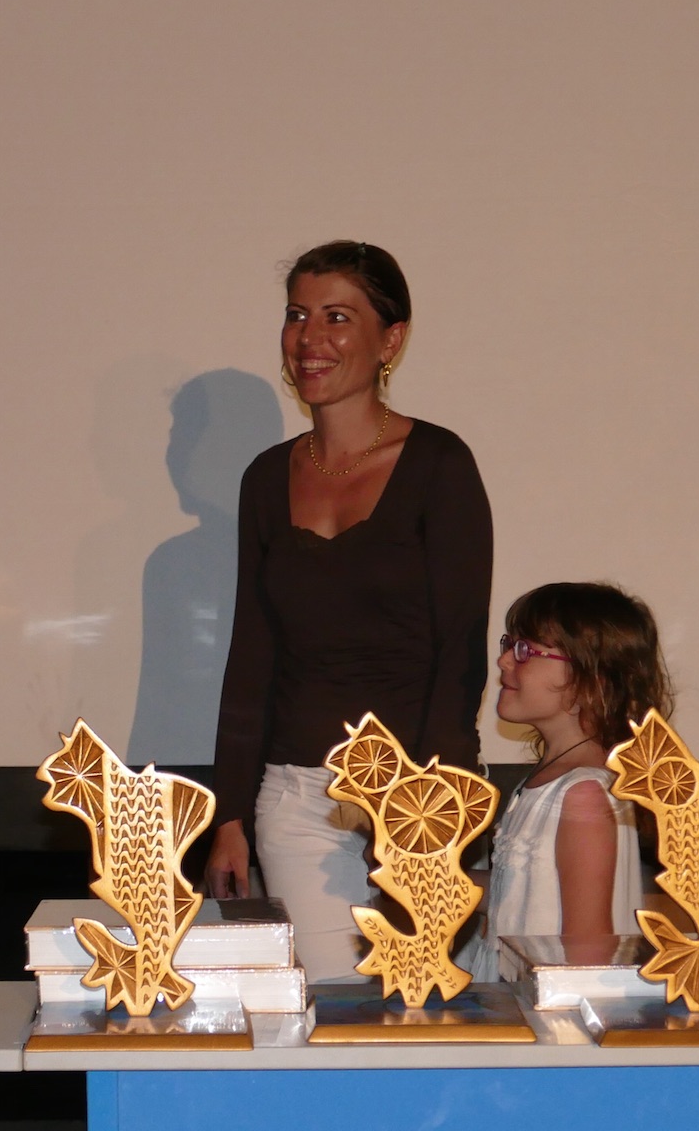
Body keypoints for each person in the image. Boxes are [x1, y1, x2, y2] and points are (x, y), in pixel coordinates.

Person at [203, 240, 493, 983]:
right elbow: (252, 654)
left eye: (337, 317)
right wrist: (229, 814)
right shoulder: (266, 478)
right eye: (297, 314)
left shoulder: (439, 464)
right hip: (294, 797)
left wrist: (429, 811)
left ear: (390, 339)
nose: (310, 337)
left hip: (411, 796)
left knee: (416, 1012)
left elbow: (460, 654)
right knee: (333, 1007)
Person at [462, 581, 670, 982]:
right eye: (509, 644)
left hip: (553, 1011)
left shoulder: (583, 795)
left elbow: (588, 951)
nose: (503, 660)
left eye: (525, 650)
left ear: (591, 679)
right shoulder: (551, 781)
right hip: (521, 1003)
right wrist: (435, 878)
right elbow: (520, 894)